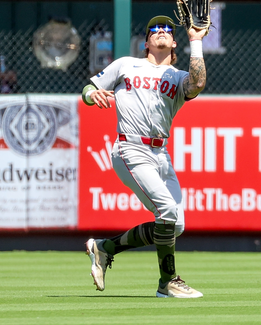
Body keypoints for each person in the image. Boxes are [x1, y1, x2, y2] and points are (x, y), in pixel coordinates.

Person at [81, 15, 207, 298]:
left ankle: (104, 248)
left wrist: (196, 41)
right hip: (131, 148)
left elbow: (198, 83)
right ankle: (168, 283)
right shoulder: (126, 64)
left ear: (174, 41)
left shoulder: (176, 77)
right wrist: (91, 96)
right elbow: (88, 87)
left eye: (167, 29)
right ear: (147, 40)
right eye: (154, 29)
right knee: (167, 212)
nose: (161, 31)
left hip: (160, 152)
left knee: (176, 225)